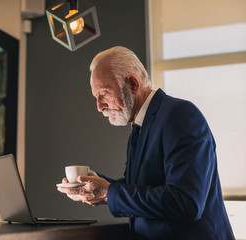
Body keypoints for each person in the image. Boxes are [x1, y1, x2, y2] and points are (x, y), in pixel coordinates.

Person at [57, 46, 235, 239]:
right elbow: (142, 186)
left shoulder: (179, 114)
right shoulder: (139, 126)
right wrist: (95, 184)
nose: (100, 107)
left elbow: (185, 201)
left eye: (104, 94)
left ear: (132, 84)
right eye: (96, 97)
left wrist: (108, 193)